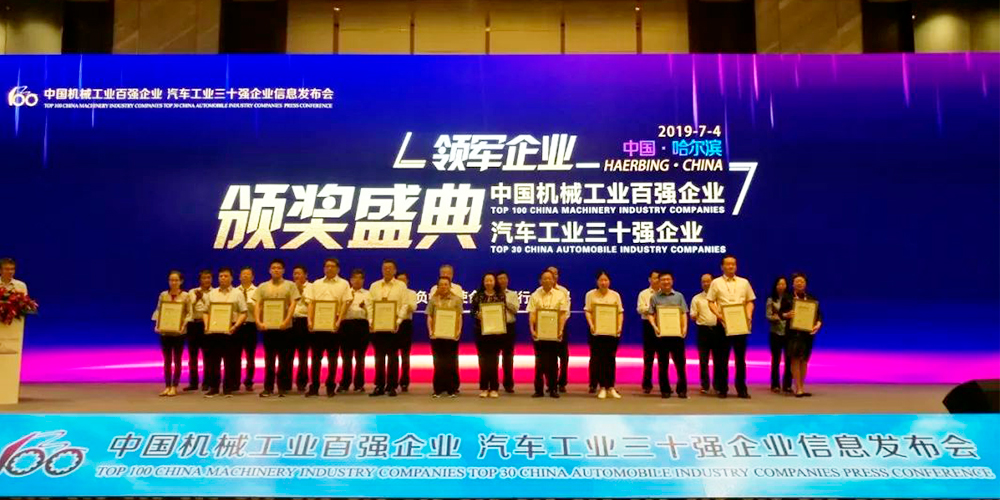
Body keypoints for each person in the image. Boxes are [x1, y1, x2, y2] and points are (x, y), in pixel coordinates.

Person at [707, 254, 756, 399]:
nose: (731, 266)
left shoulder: (744, 282)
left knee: (740, 359)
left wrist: (748, 315)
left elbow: (750, 301)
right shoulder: (716, 282)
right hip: (723, 324)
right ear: (722, 267)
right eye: (728, 264)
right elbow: (710, 301)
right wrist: (719, 315)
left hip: (740, 324)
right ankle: (722, 388)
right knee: (722, 358)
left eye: (733, 264)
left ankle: (741, 389)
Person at [252, 259, 300, 398]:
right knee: (269, 359)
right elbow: (258, 305)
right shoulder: (263, 286)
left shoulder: (290, 285)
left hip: (285, 327)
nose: (276, 270)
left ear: (283, 270)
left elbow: (293, 304)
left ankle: (282, 387)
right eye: (273, 268)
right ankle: (268, 388)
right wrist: (258, 321)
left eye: (279, 268)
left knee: (284, 359)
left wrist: (286, 320)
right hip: (268, 328)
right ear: (269, 270)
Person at [304, 258, 351, 397]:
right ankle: (314, 386)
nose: (329, 268)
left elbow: (345, 303)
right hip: (318, 325)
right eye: (327, 266)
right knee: (315, 358)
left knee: (333, 358)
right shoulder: (316, 283)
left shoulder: (344, 284)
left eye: (332, 266)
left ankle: (330, 386)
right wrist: (309, 320)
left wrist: (339, 322)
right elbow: (311, 303)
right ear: (324, 268)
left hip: (334, 324)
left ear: (338, 269)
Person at [204, 267, 248, 398]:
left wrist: (236, 326)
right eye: (221, 276)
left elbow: (244, 312)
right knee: (213, 361)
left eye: (226, 276)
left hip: (231, 330)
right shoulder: (211, 294)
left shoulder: (237, 293)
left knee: (231, 360)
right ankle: (214, 387)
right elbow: (206, 312)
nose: (223, 278)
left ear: (231, 278)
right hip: (214, 330)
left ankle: (228, 388)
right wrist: (206, 326)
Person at [367, 259, 406, 397]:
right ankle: (379, 385)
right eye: (385, 268)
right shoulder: (374, 286)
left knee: (393, 357)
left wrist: (398, 321)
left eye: (390, 268)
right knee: (379, 357)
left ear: (395, 271)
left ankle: (392, 386)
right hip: (378, 327)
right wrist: (371, 321)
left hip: (393, 326)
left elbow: (404, 305)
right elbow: (369, 305)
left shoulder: (401, 286)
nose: (387, 270)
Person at [780, 272, 823, 398]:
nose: (799, 283)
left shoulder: (811, 298)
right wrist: (787, 315)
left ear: (806, 284)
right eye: (797, 281)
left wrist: (818, 323)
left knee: (804, 360)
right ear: (793, 284)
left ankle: (801, 387)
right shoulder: (787, 297)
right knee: (795, 359)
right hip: (793, 334)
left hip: (807, 334)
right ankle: (797, 388)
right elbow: (781, 313)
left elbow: (818, 314)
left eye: (802, 281)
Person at [527, 269, 568, 399]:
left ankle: (553, 388)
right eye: (544, 278)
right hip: (540, 332)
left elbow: (562, 314)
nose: (547, 280)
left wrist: (561, 330)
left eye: (550, 278)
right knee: (539, 361)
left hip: (554, 333)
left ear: (554, 280)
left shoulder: (560, 295)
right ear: (540, 281)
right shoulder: (535, 295)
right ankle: (538, 389)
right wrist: (532, 329)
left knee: (553, 361)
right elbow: (532, 313)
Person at [648, 271, 689, 398]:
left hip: (677, 335)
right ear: (659, 282)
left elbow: (683, 313)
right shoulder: (654, 297)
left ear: (672, 281)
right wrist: (655, 327)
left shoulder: (679, 296)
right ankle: (665, 389)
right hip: (662, 336)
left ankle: (682, 389)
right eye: (663, 280)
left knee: (680, 364)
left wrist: (684, 328)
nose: (666, 282)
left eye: (668, 279)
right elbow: (650, 314)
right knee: (663, 364)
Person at [584, 271, 624, 399]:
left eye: (606, 280)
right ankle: (602, 387)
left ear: (609, 281)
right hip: (596, 332)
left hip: (611, 332)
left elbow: (620, 312)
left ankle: (610, 387)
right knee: (599, 359)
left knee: (610, 359)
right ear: (597, 281)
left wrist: (619, 326)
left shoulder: (615, 295)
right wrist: (591, 325)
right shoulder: (590, 294)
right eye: (601, 280)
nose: (603, 282)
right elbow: (588, 311)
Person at [152, 270, 189, 397]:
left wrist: (183, 326)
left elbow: (189, 313)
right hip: (165, 332)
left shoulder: (185, 296)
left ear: (181, 281)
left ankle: (174, 386)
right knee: (167, 360)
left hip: (179, 333)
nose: (173, 282)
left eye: (176, 280)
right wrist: (157, 324)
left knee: (177, 360)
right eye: (171, 280)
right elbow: (159, 310)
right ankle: (167, 386)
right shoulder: (163, 295)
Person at [430, 264, 465, 392]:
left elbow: (459, 311)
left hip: (451, 329)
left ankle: (453, 386)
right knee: (438, 359)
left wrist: (458, 330)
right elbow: (431, 312)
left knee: (452, 359)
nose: (445, 275)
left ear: (452, 274)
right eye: (443, 273)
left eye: (448, 273)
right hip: (438, 329)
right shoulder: (434, 289)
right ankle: (439, 386)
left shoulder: (458, 288)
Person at [471, 272, 505, 398]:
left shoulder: (500, 296)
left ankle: (494, 388)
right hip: (481, 332)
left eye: (491, 280)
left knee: (494, 360)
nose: (489, 283)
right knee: (483, 361)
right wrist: (478, 315)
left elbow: (502, 312)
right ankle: (484, 387)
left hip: (495, 333)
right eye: (486, 280)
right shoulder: (478, 296)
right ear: (483, 282)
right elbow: (472, 311)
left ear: (495, 282)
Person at [338, 269, 371, 393]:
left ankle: (359, 384)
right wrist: (347, 303)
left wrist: (365, 308)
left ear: (363, 280)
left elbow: (372, 312)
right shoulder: (345, 294)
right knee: (346, 357)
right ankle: (345, 383)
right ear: (350, 280)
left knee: (360, 357)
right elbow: (338, 311)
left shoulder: (368, 294)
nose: (357, 280)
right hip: (346, 325)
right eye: (355, 278)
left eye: (360, 278)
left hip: (362, 325)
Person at [184, 270, 213, 392]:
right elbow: (188, 308)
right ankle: (193, 383)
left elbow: (213, 309)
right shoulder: (192, 292)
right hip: (193, 325)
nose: (206, 280)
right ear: (200, 280)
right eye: (204, 278)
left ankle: (207, 382)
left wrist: (204, 299)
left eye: (208, 277)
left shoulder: (214, 292)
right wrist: (197, 298)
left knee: (208, 356)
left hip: (206, 325)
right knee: (192, 356)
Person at [689, 273, 718, 395]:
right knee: (703, 359)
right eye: (703, 281)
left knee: (719, 359)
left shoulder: (720, 297)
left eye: (708, 281)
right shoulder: (696, 298)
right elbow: (692, 315)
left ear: (713, 282)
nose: (706, 283)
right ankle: (705, 384)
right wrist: (694, 316)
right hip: (703, 331)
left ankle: (718, 385)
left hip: (718, 330)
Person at [767, 276, 793, 394]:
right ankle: (775, 384)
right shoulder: (771, 299)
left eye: (783, 284)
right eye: (779, 284)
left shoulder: (791, 299)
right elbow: (768, 315)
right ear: (775, 286)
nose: (781, 286)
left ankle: (787, 384)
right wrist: (777, 317)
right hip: (775, 332)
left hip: (788, 332)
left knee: (789, 360)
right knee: (776, 359)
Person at [395, 272, 418, 393]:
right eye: (399, 280)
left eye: (403, 280)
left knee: (405, 355)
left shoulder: (411, 293)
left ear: (407, 281)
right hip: (393, 323)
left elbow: (413, 307)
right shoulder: (393, 293)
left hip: (406, 325)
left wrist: (403, 304)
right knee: (393, 355)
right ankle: (392, 381)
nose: (401, 282)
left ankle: (404, 381)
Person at [636, 270, 659, 394]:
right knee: (648, 356)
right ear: (649, 279)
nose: (657, 280)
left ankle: (664, 384)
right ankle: (647, 384)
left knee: (663, 356)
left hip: (663, 324)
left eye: (659, 278)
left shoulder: (665, 293)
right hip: (648, 326)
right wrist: (654, 309)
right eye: (654, 278)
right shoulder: (644, 294)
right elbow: (640, 309)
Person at [290, 265, 312, 393]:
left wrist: (301, 292)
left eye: (299, 273)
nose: (296, 276)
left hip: (304, 322)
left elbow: (311, 304)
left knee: (303, 354)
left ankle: (302, 382)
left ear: (305, 275)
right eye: (295, 273)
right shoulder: (289, 286)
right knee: (288, 354)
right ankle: (286, 382)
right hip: (290, 322)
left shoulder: (311, 287)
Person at [496, 271, 519, 393]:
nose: (502, 281)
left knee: (508, 357)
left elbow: (515, 310)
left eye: (504, 278)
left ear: (507, 280)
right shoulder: (492, 294)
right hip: (494, 327)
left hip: (509, 327)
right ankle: (493, 384)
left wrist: (505, 301)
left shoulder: (512, 294)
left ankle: (508, 384)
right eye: (499, 279)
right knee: (493, 357)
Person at [236, 267, 258, 392]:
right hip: (237, 326)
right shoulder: (235, 291)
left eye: (248, 274)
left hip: (250, 325)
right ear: (239, 277)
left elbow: (260, 309)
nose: (245, 276)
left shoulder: (257, 291)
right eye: (243, 274)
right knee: (236, 355)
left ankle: (249, 381)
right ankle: (235, 381)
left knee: (250, 356)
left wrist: (250, 305)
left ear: (252, 277)